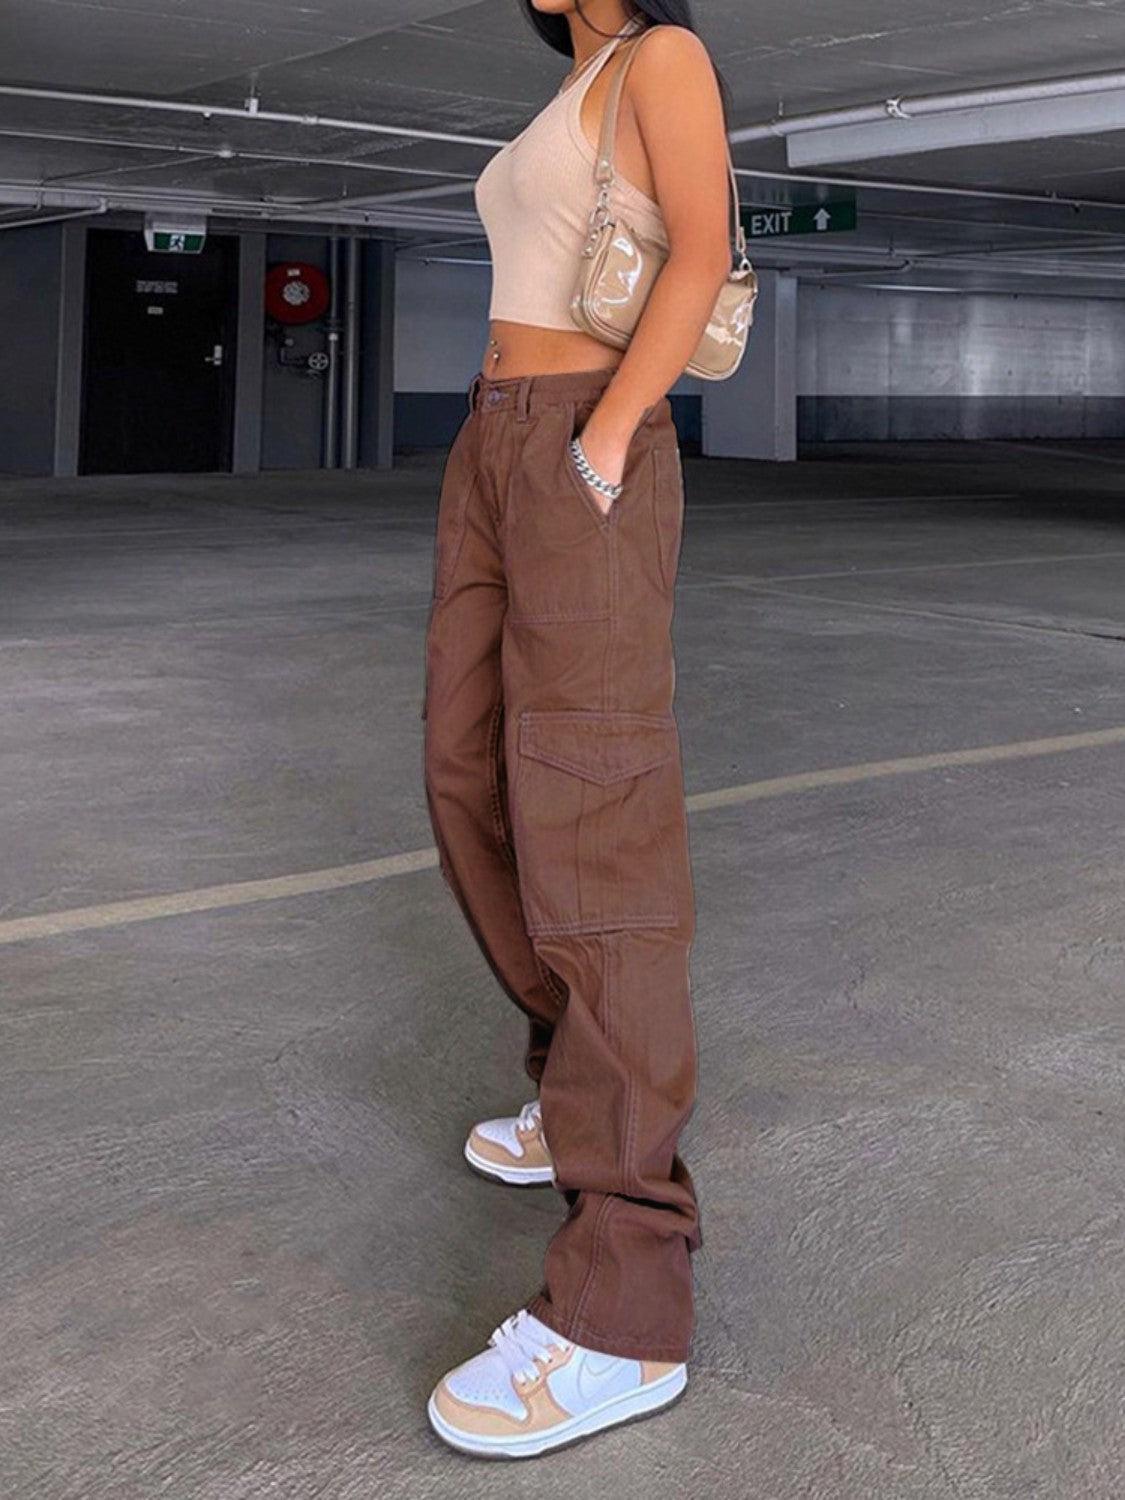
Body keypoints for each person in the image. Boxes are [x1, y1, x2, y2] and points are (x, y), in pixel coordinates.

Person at [421, 0, 735, 1459]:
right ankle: (571, 1081)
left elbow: (700, 250)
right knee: (468, 769)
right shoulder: (580, 78)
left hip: (576, 434)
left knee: (591, 815)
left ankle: (622, 1305)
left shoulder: (663, 55)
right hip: (497, 437)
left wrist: (603, 437)